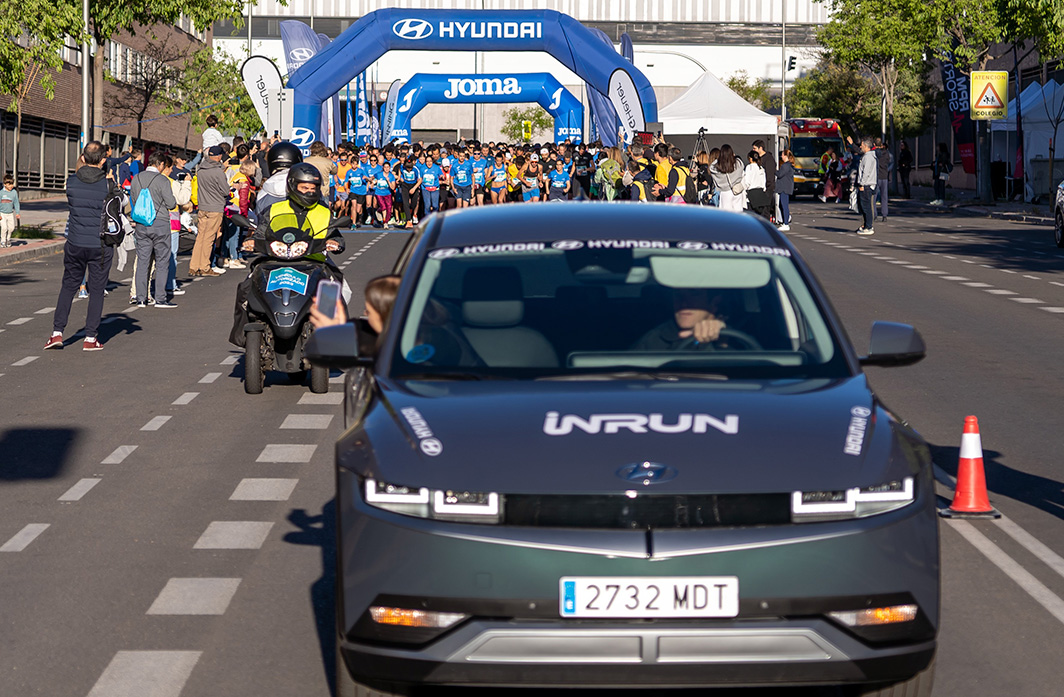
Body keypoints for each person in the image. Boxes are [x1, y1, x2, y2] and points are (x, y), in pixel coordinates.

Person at [231, 164, 345, 347]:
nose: (309, 191)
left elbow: (336, 235)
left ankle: (332, 336)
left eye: (313, 188)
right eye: (304, 187)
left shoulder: (324, 211)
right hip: (274, 260)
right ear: (292, 186)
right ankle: (243, 334)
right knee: (246, 287)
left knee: (335, 285)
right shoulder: (275, 209)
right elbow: (261, 232)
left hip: (314, 262)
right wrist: (253, 242)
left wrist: (337, 243)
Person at [44, 141, 115, 351]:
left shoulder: (71, 182)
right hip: (100, 245)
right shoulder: (108, 185)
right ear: (103, 161)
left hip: (75, 241)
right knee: (97, 289)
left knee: (68, 286)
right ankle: (90, 337)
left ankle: (57, 333)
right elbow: (120, 206)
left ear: (83, 158)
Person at [130, 151, 179, 308]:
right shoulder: (162, 180)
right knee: (162, 261)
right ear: (161, 164)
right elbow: (171, 204)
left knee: (143, 262)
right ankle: (160, 298)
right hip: (160, 223)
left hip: (141, 223)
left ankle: (141, 298)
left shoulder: (136, 178)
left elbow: (133, 198)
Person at [631, 289, 731, 351]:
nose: (684, 303)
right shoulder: (654, 338)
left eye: (694, 294)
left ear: (714, 303)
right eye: (678, 295)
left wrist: (722, 342)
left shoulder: (738, 335)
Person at [190, 145, 230, 276]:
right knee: (209, 238)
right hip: (215, 207)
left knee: (200, 237)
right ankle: (205, 267)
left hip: (203, 206)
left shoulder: (201, 170)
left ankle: (194, 266)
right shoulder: (218, 172)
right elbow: (225, 191)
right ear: (218, 156)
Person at [710, 145, 745, 212]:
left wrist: (719, 159)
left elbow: (711, 167)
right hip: (737, 190)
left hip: (725, 191)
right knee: (738, 212)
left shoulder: (719, 167)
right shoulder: (737, 163)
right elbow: (741, 164)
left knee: (726, 214)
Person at [856, 136, 878, 235]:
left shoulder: (868, 157)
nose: (860, 146)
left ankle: (869, 226)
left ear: (865, 145)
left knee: (866, 207)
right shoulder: (869, 156)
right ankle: (866, 225)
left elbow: (866, 172)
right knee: (864, 206)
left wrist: (862, 184)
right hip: (869, 184)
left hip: (866, 185)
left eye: (861, 144)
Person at [743, 151, 771, 218]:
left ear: (750, 158)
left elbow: (747, 182)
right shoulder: (761, 168)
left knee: (752, 216)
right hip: (761, 194)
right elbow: (764, 182)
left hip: (752, 194)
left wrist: (744, 190)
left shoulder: (749, 167)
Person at [752, 139, 775, 219]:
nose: (753, 150)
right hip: (760, 188)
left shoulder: (768, 159)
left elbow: (770, 175)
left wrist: (767, 187)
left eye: (755, 148)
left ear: (760, 148)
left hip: (767, 188)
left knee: (765, 210)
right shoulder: (759, 159)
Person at [396, 157, 421, 228]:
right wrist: (400, 178)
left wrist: (414, 188)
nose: (409, 170)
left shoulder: (416, 169)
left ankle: (412, 213)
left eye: (410, 168)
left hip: (414, 185)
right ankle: (408, 220)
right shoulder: (402, 167)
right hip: (405, 186)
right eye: (408, 168)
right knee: (405, 203)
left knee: (414, 203)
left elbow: (419, 180)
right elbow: (399, 171)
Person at [776, 150, 795, 231]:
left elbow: (780, 174)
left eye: (783, 155)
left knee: (784, 205)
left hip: (784, 187)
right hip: (786, 187)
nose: (781, 157)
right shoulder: (788, 165)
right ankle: (785, 220)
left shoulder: (785, 166)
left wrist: (774, 171)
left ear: (786, 156)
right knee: (782, 205)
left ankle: (786, 223)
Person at [874, 138, 892, 221]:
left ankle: (874, 214)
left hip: (876, 176)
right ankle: (884, 214)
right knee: (884, 197)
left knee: (874, 197)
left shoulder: (875, 153)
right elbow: (889, 162)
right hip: (884, 176)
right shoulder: (887, 154)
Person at [0, 175, 20, 247]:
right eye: (9, 184)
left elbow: (16, 203)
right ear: (5, 184)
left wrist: (17, 212)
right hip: (2, 213)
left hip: (10, 213)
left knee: (11, 228)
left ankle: (8, 239)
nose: (11, 186)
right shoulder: (1, 193)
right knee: (4, 228)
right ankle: (3, 241)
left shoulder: (14, 192)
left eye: (12, 184)